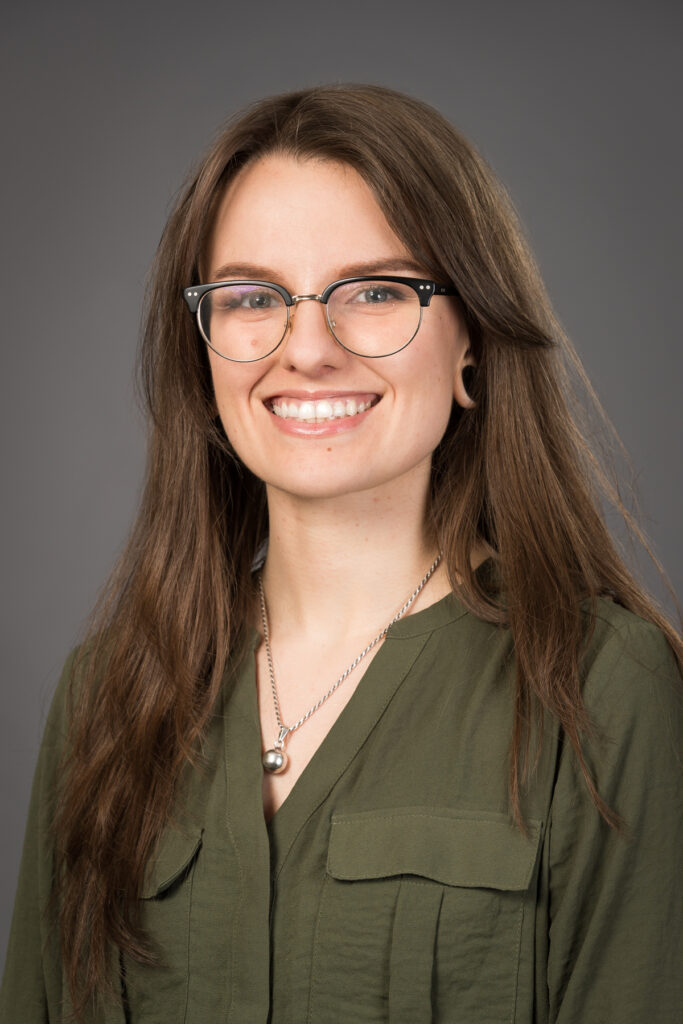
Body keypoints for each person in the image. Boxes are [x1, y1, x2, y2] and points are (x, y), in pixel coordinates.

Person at [1, 84, 681, 1024]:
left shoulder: (605, 694)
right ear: (201, 350)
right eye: (251, 297)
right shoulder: (108, 696)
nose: (306, 349)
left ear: (471, 339)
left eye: (374, 292)